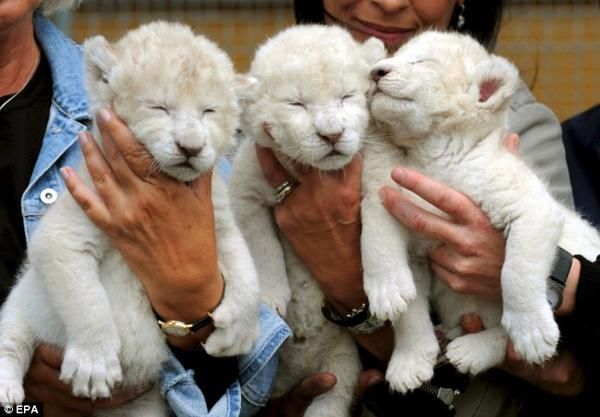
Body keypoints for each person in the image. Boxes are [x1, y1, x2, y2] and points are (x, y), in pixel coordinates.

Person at [250, 1, 590, 416]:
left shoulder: (510, 119)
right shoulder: (256, 110)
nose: (389, 2)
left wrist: (345, 285)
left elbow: (562, 371)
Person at [0, 2, 289, 416]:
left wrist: (204, 307)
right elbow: (57, 249)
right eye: (159, 109)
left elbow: (247, 382)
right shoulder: (122, 86)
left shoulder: (201, 157)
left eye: (208, 114)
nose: (191, 136)